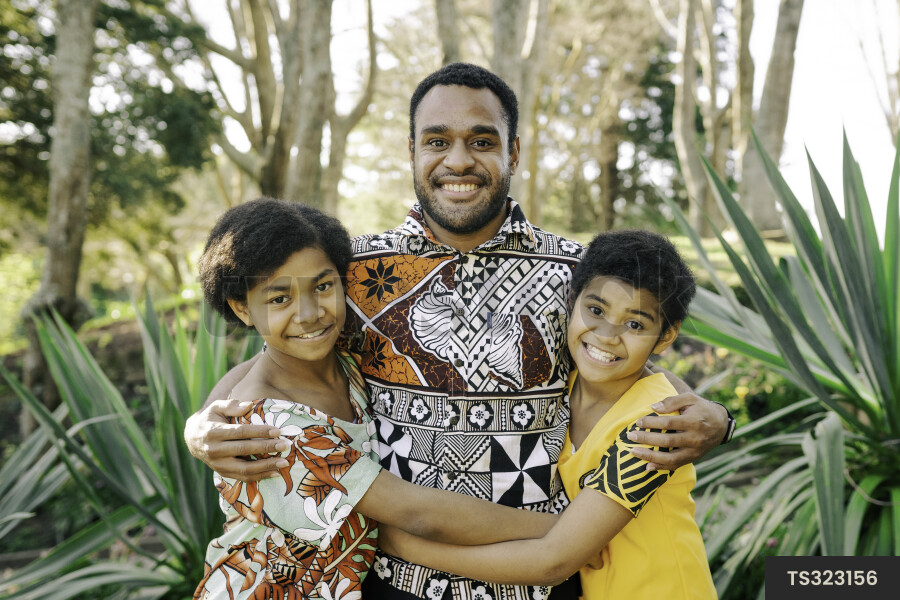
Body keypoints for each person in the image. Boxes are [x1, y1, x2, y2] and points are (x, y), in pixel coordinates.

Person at [185, 63, 733, 600]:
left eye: (482, 141)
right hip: (398, 582)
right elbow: (280, 357)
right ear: (413, 151)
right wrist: (203, 423)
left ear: (512, 152)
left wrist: (717, 418)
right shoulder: (355, 274)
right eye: (437, 140)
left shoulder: (575, 273)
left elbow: (632, 364)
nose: (458, 160)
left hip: (542, 582)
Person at [192, 198, 563, 599]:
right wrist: (565, 529)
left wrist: (196, 422)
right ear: (242, 308)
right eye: (279, 299)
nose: (310, 313)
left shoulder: (346, 360)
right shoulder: (273, 428)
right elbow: (416, 512)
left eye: (323, 286)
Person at [378, 230, 717, 600]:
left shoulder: (653, 428)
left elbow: (552, 562)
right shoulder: (565, 376)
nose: (606, 335)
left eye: (634, 324)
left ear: (665, 338)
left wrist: (408, 549)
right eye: (596, 310)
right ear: (572, 302)